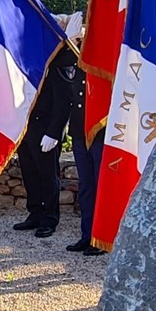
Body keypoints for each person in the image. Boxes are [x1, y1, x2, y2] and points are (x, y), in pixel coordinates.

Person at [15, 47, 78, 238]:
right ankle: (35, 212)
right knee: (29, 172)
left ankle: (50, 218)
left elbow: (64, 101)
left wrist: (54, 132)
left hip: (45, 129)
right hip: (24, 126)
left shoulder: (57, 64)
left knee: (48, 175)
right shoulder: (23, 60)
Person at [60, 13, 105, 256]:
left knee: (101, 187)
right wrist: (72, 38)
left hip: (100, 133)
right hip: (80, 132)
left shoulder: (104, 60)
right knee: (86, 186)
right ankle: (86, 234)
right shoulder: (77, 57)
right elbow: (58, 61)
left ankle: (101, 238)